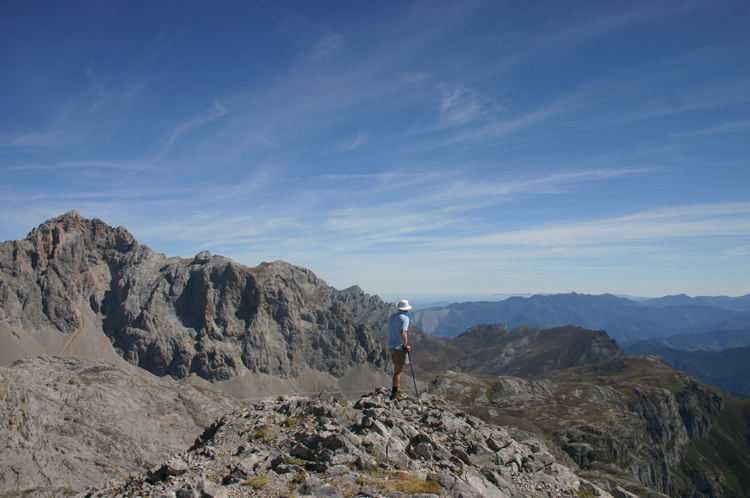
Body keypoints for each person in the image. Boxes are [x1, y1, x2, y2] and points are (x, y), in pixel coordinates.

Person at [387, 299, 412, 400]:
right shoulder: (405, 318)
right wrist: (405, 346)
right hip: (398, 347)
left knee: (396, 370)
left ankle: (398, 388)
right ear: (406, 309)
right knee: (398, 371)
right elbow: (403, 333)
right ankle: (394, 394)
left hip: (390, 346)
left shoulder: (392, 317)